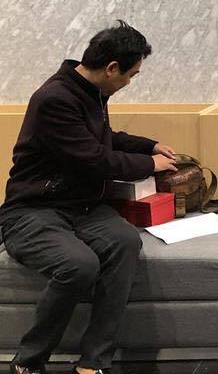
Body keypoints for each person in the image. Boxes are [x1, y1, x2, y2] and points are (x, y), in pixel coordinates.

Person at [0, 22, 178, 374]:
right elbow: (94, 159)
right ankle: (29, 362)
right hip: (34, 209)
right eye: (131, 75)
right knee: (79, 265)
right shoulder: (55, 99)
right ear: (112, 68)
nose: (130, 82)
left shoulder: (90, 92)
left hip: (82, 207)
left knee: (125, 242)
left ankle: (94, 361)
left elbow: (103, 138)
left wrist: (149, 145)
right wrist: (149, 164)